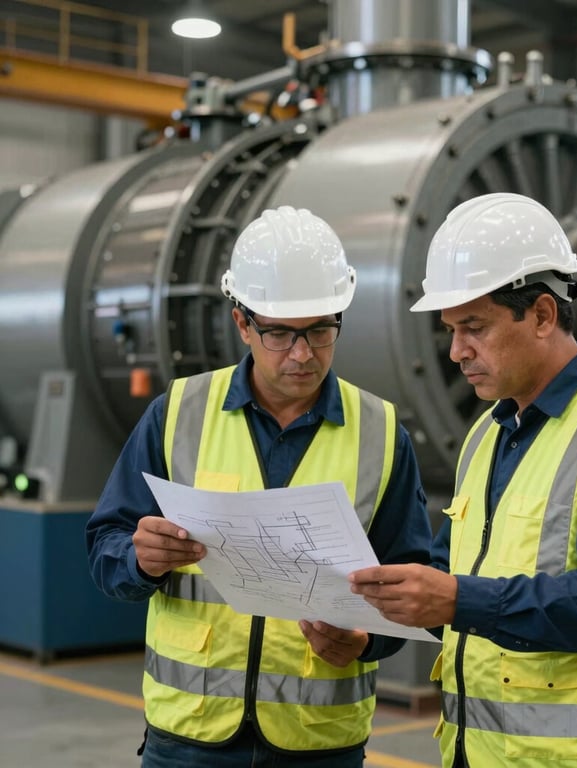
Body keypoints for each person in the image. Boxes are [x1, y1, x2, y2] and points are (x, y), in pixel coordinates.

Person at [349, 192, 577, 767]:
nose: (457, 351)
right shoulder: (488, 432)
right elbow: (449, 577)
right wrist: (369, 632)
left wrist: (458, 599)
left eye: (474, 327)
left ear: (541, 314)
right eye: (450, 330)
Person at [86, 205, 433, 768]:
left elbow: (415, 580)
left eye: (321, 330)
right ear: (242, 323)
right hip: (189, 740)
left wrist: (369, 642)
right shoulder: (177, 414)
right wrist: (139, 558)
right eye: (279, 333)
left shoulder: (383, 434)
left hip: (318, 743)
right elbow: (106, 551)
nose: (302, 353)